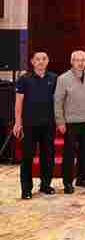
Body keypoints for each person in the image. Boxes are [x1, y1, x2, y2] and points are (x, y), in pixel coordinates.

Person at [13, 52, 57, 199]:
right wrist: (18, 122)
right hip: (29, 125)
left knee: (48, 156)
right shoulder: (24, 79)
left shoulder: (54, 78)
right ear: (32, 62)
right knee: (27, 157)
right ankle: (26, 189)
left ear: (48, 61)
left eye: (44, 59)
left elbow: (58, 101)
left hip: (48, 124)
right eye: (37, 59)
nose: (41, 61)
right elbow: (18, 103)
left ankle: (45, 185)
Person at [54, 50, 85, 194]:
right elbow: (58, 101)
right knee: (69, 154)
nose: (80, 63)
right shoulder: (63, 78)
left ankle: (81, 178)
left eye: (83, 60)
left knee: (84, 152)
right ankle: (67, 182)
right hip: (70, 122)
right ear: (72, 62)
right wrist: (60, 122)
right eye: (77, 60)